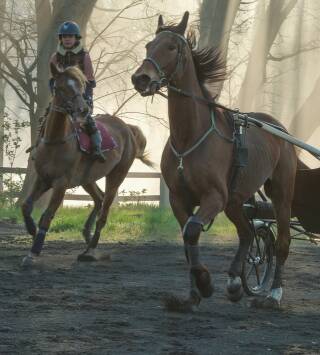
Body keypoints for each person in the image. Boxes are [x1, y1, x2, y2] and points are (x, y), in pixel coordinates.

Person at [49, 21, 106, 162]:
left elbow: (89, 81)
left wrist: (84, 99)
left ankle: (97, 148)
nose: (67, 39)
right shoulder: (55, 57)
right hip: (61, 97)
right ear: (61, 38)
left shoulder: (84, 57)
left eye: (70, 36)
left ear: (76, 38)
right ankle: (39, 145)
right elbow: (52, 81)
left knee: (88, 121)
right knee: (46, 120)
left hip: (81, 96)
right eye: (65, 36)